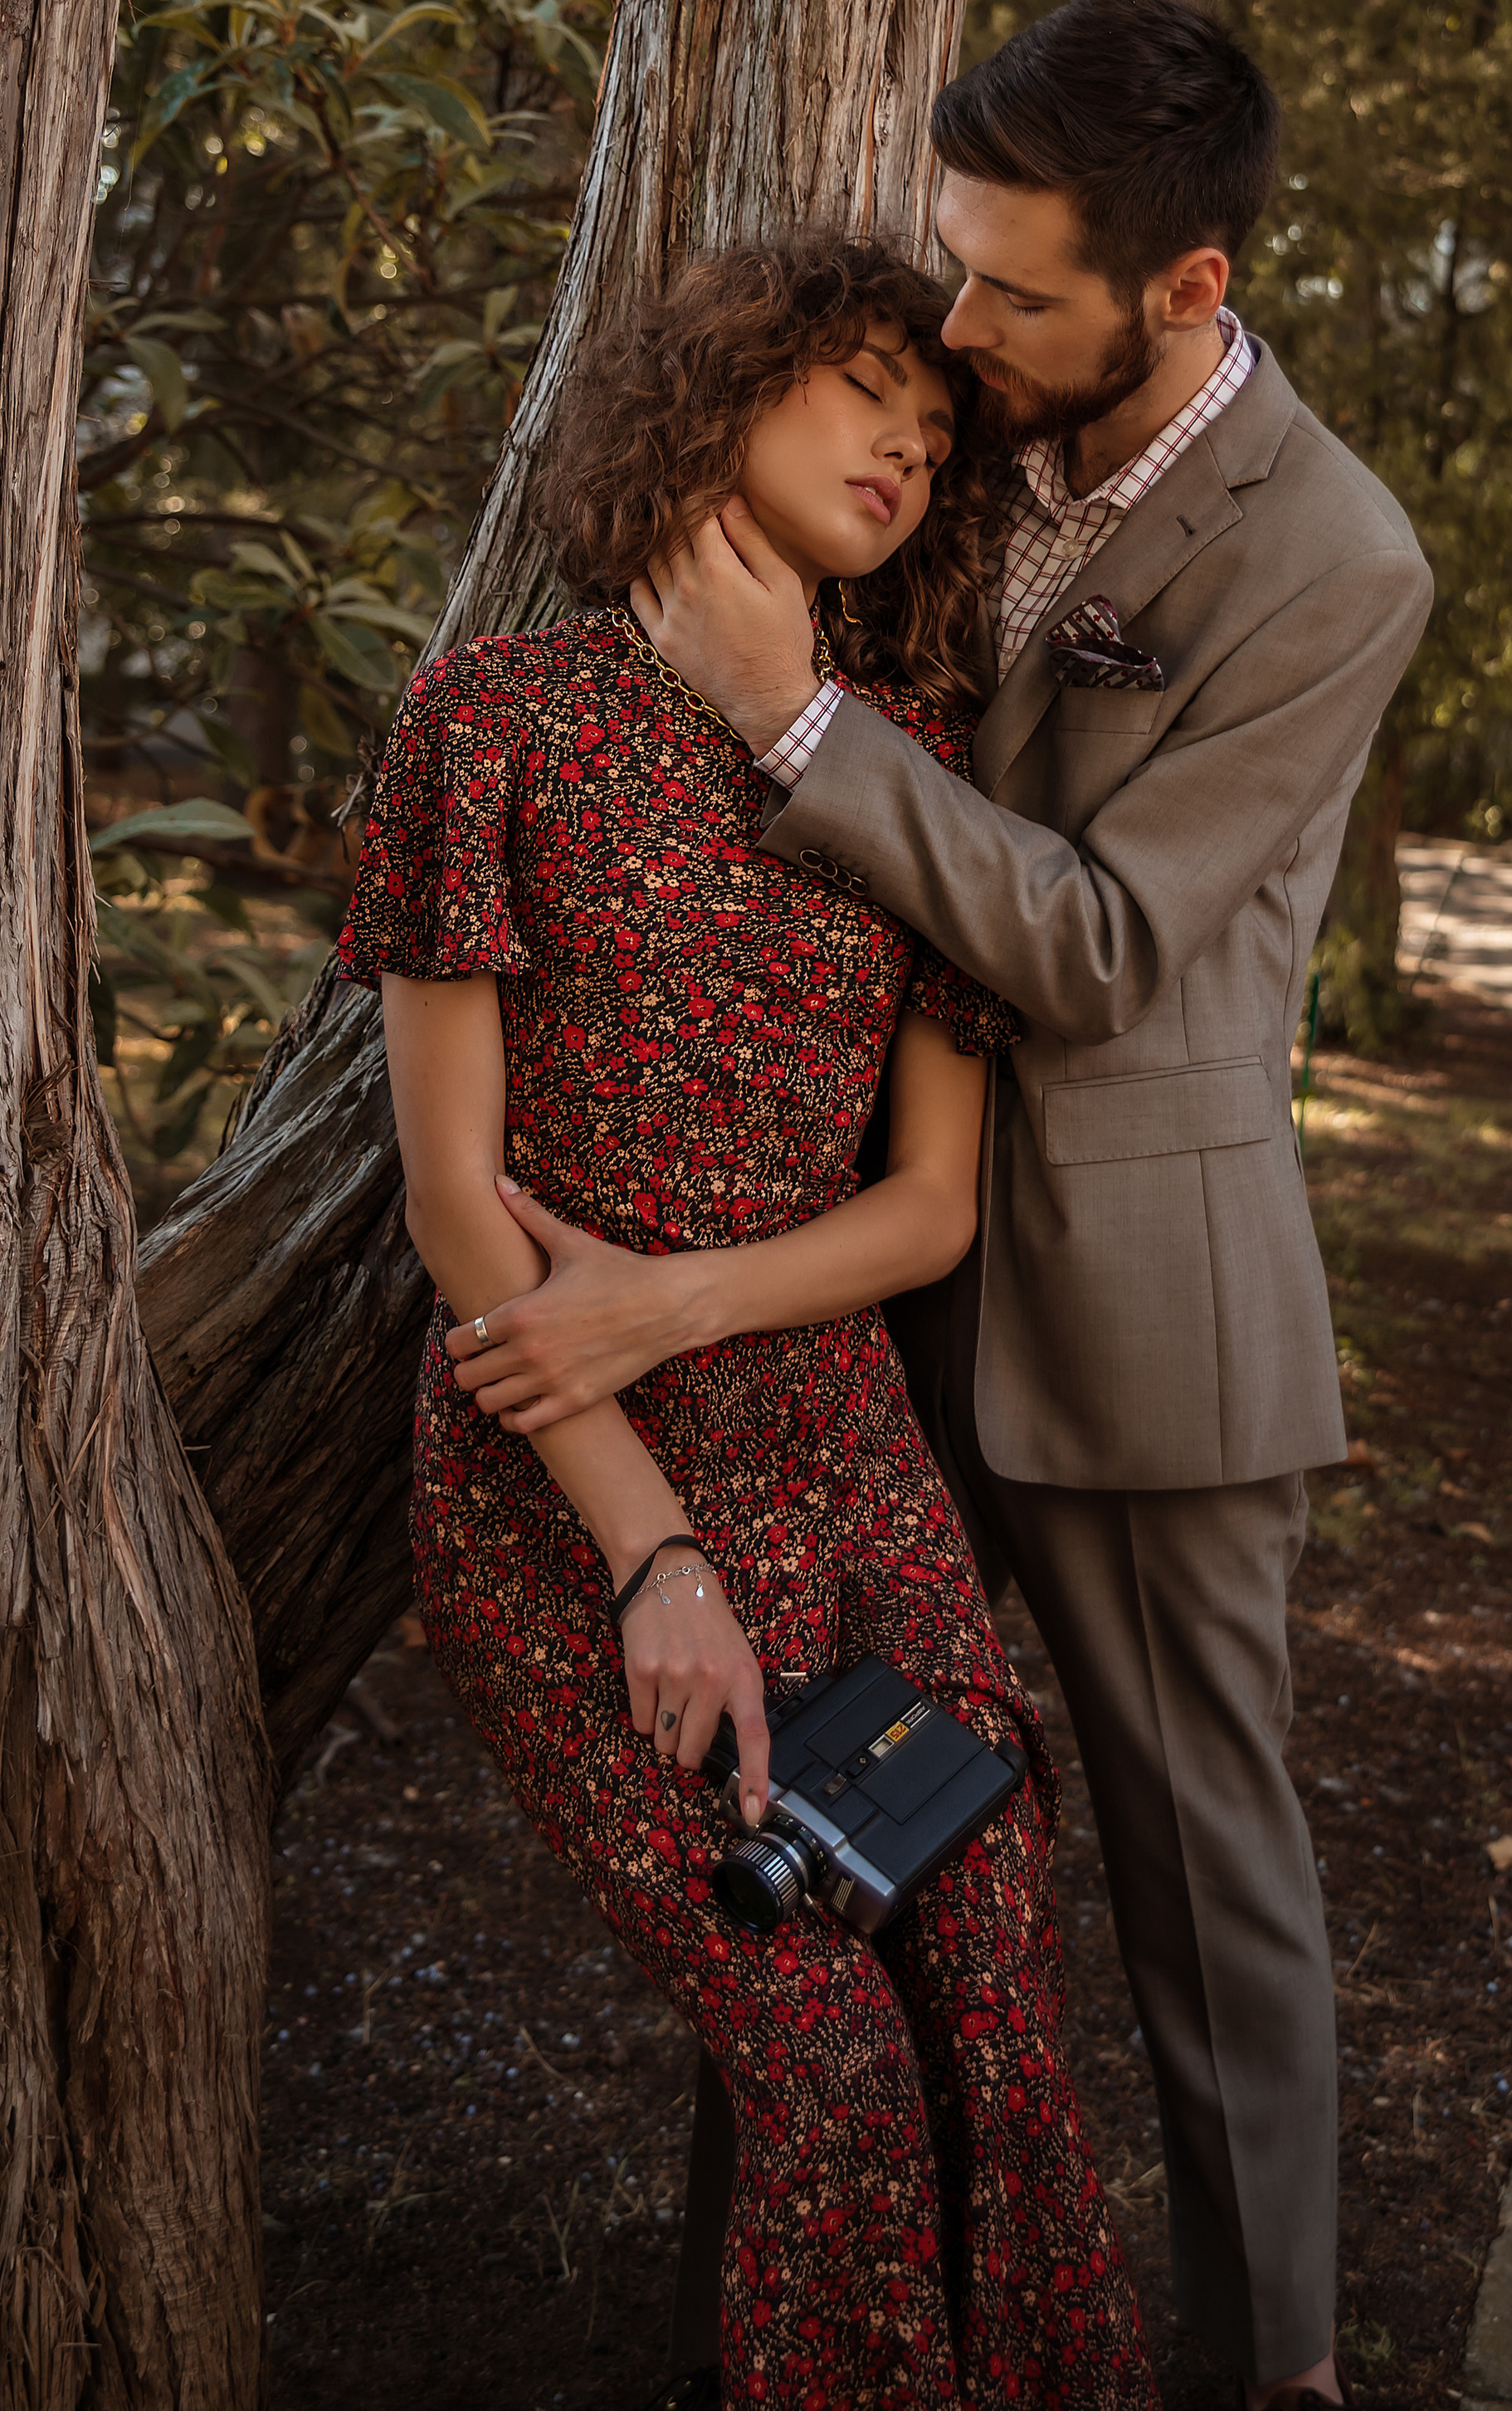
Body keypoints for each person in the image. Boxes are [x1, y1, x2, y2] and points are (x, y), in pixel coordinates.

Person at [588, 0, 1432, 2408]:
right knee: (820, 1860)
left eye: (1012, 290)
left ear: (1190, 282)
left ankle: (1274, 2371)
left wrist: (797, 719)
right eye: (950, 267)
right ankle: (819, 2353)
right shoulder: (960, 430)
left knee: (1206, 1909)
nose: (946, 328)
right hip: (844, 1279)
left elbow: (1092, 937)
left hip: (1141, 1319)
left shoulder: (1338, 558)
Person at [339, 232, 1158, 2411]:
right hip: (562, 1484)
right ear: (717, 396)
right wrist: (651, 1542)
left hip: (849, 1464)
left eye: (935, 415)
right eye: (863, 382)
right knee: (832, 2075)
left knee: (1003, 2018)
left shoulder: (908, 767)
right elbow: (449, 1196)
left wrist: (676, 1302)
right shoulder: (489, 719)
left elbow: (928, 1208)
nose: (909, 430)